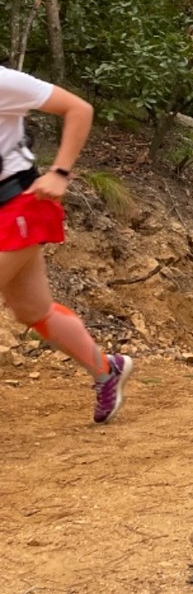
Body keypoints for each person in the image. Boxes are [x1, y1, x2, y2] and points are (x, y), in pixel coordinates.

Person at [0, 67, 133, 423]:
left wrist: (59, 172)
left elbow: (79, 109)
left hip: (21, 201)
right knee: (32, 310)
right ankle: (106, 370)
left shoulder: (3, 82)